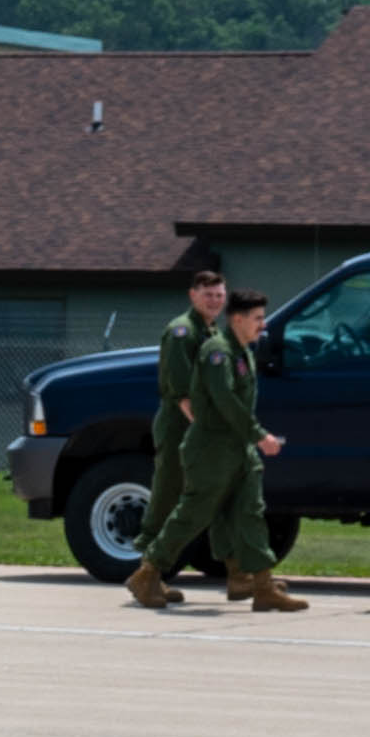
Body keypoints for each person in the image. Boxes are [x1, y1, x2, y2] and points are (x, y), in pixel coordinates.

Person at [129, 258, 301, 613]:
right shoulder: (210, 347)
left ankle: (257, 582)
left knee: (249, 512)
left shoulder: (237, 349)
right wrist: (256, 434)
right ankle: (148, 573)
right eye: (256, 318)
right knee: (190, 511)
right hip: (206, 445)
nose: (263, 325)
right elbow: (213, 399)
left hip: (234, 447)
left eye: (219, 295)